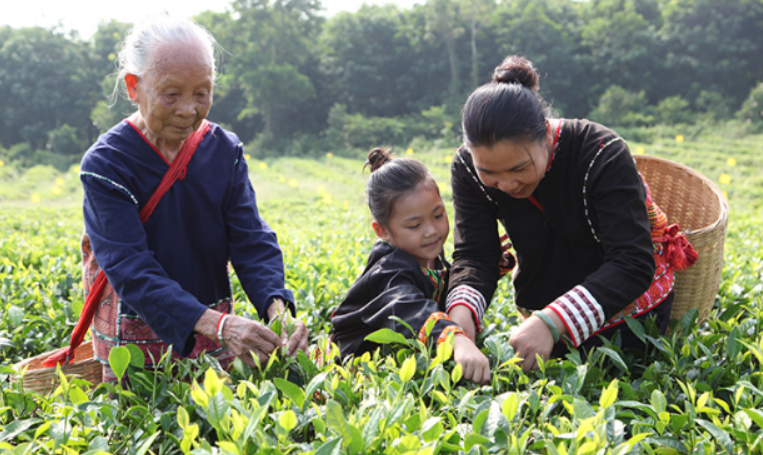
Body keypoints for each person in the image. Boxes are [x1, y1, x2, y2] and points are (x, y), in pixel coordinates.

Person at [76, 15, 307, 381]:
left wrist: (276, 308)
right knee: (144, 424)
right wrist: (219, 325)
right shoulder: (106, 164)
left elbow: (250, 238)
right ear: (134, 86)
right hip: (139, 328)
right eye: (171, 94)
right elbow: (130, 267)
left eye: (202, 93)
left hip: (215, 324)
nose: (189, 110)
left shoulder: (223, 150)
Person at [445, 55, 697, 372]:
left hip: (621, 303)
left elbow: (632, 261)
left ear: (547, 137)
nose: (506, 184)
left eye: (520, 168)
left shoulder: (601, 152)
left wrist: (553, 322)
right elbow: (474, 253)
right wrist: (459, 321)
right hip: (542, 306)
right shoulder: (467, 168)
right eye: (490, 173)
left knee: (607, 367)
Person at [332, 148, 491, 384]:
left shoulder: (428, 252)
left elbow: (446, 287)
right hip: (355, 363)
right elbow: (407, 307)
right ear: (382, 231)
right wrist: (455, 339)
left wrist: (491, 267)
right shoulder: (389, 269)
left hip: (404, 355)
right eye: (415, 225)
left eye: (438, 215)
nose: (431, 231)